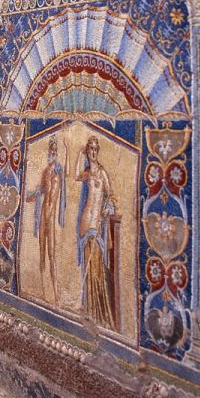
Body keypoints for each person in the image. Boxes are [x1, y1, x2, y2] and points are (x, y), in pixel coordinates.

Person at [73, 136, 116, 329]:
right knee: (88, 267)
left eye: (94, 149)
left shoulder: (102, 173)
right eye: (89, 149)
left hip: (96, 222)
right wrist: (78, 153)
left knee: (96, 265)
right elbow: (74, 176)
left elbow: (111, 195)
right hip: (85, 221)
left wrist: (107, 210)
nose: (92, 152)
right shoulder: (88, 173)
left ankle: (98, 311)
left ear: (98, 151)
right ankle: (88, 308)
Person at [25, 136, 66, 303]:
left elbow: (55, 194)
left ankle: (56, 295)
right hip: (43, 214)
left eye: (55, 152)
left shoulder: (58, 172)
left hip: (51, 215)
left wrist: (69, 152)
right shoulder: (45, 172)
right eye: (51, 151)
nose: (52, 154)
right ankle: (43, 291)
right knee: (42, 251)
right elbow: (40, 192)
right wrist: (29, 195)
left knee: (52, 254)